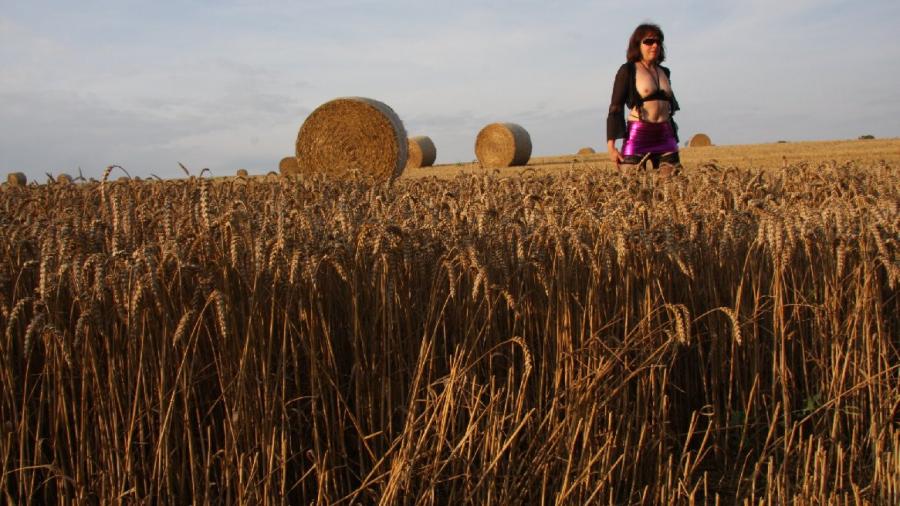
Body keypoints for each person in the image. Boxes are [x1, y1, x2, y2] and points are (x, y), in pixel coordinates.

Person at [606, 23, 681, 176]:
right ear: (637, 45)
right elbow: (615, 107)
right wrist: (611, 147)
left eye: (658, 42)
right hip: (638, 134)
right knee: (631, 189)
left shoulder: (665, 72)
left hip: (665, 135)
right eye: (649, 42)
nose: (655, 45)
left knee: (672, 189)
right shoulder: (628, 70)